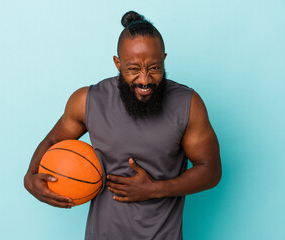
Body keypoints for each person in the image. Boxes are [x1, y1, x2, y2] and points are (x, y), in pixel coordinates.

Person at [24, 11, 221, 240]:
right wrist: (30, 176)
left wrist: (156, 189)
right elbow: (53, 141)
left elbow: (211, 170)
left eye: (155, 68)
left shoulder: (188, 104)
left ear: (164, 59)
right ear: (118, 63)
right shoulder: (88, 101)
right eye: (134, 69)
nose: (145, 79)